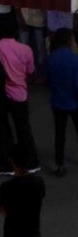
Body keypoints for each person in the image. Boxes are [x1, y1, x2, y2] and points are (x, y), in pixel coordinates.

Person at [0, 22, 40, 174]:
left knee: (2, 128)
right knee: (23, 128)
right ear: (16, 33)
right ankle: (31, 161)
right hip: (19, 96)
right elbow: (31, 72)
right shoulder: (25, 49)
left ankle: (7, 163)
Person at [0, 144, 46, 237]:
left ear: (11, 161)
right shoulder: (39, 183)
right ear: (28, 160)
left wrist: (8, 213)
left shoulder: (7, 187)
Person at [45, 28, 78, 177]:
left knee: (60, 134)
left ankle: (60, 164)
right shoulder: (75, 59)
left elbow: (49, 80)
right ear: (69, 41)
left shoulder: (51, 58)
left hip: (58, 102)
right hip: (74, 102)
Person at [19, 8, 47, 78]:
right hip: (26, 18)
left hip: (38, 19)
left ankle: (40, 74)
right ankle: (25, 72)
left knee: (40, 49)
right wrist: (21, 19)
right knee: (24, 49)